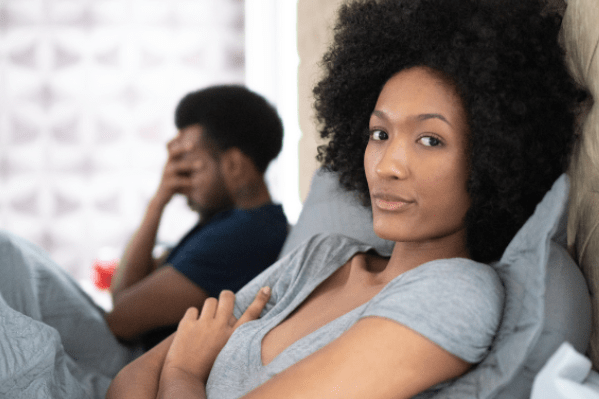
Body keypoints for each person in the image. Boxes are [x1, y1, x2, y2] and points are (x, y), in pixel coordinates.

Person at [106, 0, 581, 398]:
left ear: (496, 157)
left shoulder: (455, 294)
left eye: (430, 139)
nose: (387, 165)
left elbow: (167, 364)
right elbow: (126, 381)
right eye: (379, 133)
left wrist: (184, 374)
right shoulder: (320, 255)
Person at [106, 85, 289, 347]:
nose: (178, 178)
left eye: (189, 164)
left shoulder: (242, 234)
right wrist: (158, 202)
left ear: (234, 166)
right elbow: (126, 292)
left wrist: (158, 203)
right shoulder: (230, 224)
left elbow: (120, 318)